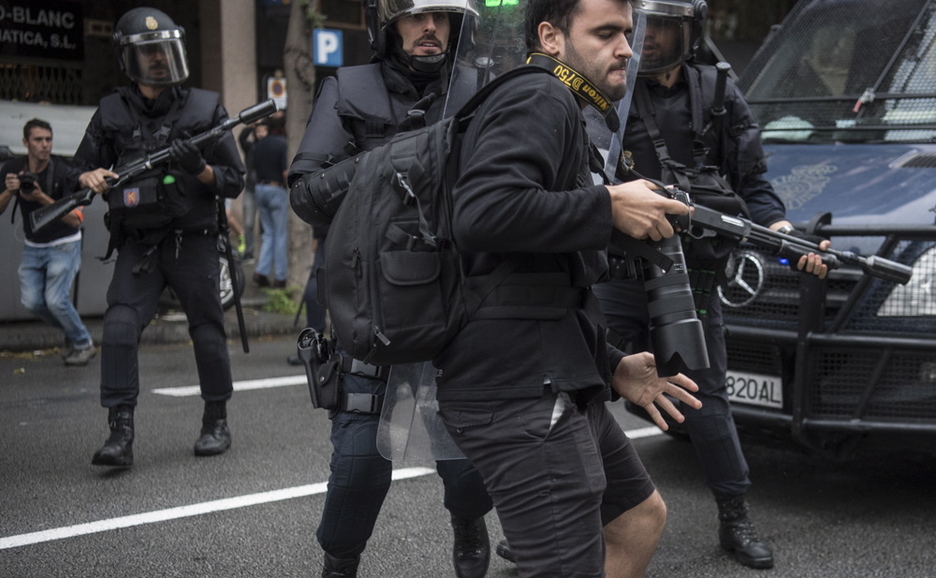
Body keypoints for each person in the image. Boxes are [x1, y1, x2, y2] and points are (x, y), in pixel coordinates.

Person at [434, 0, 703, 576]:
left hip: (554, 369)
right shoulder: (540, 95)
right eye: (606, 32)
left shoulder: (565, 108)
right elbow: (481, 214)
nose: (627, 49)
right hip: (517, 391)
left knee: (638, 518)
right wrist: (606, 204)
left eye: (628, 34)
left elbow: (534, 281)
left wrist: (610, 366)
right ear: (551, 37)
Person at [589, 0, 831, 570]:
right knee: (587, 385)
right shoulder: (610, 89)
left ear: (689, 31)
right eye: (639, 26)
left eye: (662, 27)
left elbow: (753, 182)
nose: (646, 39)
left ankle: (734, 515)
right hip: (619, 270)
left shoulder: (718, 92)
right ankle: (572, 510)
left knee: (708, 399)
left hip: (691, 273)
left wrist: (784, 236)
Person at [289, 1, 497, 576]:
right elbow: (306, 194)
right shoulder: (347, 87)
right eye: (414, 16)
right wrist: (389, 160)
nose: (428, 28)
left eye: (440, 16)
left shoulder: (482, 87)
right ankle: (340, 562)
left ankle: (469, 522)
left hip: (458, 303)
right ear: (389, 24)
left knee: (467, 462)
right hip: (369, 303)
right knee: (358, 464)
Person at [73, 7, 245, 468]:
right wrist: (88, 175)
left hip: (193, 240)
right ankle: (120, 433)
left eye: (164, 51)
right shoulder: (111, 111)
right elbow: (75, 171)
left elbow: (233, 180)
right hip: (139, 244)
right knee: (119, 326)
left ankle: (216, 420)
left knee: (207, 330)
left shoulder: (206, 108)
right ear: (129, 60)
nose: (158, 60)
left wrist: (199, 168)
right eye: (148, 52)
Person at [0, 119, 96, 366]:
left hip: (64, 244)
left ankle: (84, 343)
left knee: (55, 300)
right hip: (33, 246)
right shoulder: (13, 169)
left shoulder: (63, 171)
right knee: (31, 302)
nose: (44, 145)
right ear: (25, 143)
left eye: (48, 140)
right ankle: (72, 331)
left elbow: (75, 219)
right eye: (38, 140)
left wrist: (40, 197)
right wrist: (10, 192)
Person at [251, 116, 289, 288]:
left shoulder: (259, 144)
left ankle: (261, 271)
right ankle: (280, 277)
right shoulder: (282, 143)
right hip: (276, 189)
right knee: (280, 234)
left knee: (268, 234)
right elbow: (284, 172)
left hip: (260, 188)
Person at [236, 121, 268, 262]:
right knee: (248, 223)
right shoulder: (251, 147)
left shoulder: (269, 146)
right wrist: (252, 126)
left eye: (263, 131)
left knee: (265, 225)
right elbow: (242, 138)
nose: (260, 134)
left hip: (265, 187)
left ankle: (265, 256)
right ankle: (248, 252)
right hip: (250, 188)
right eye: (258, 131)